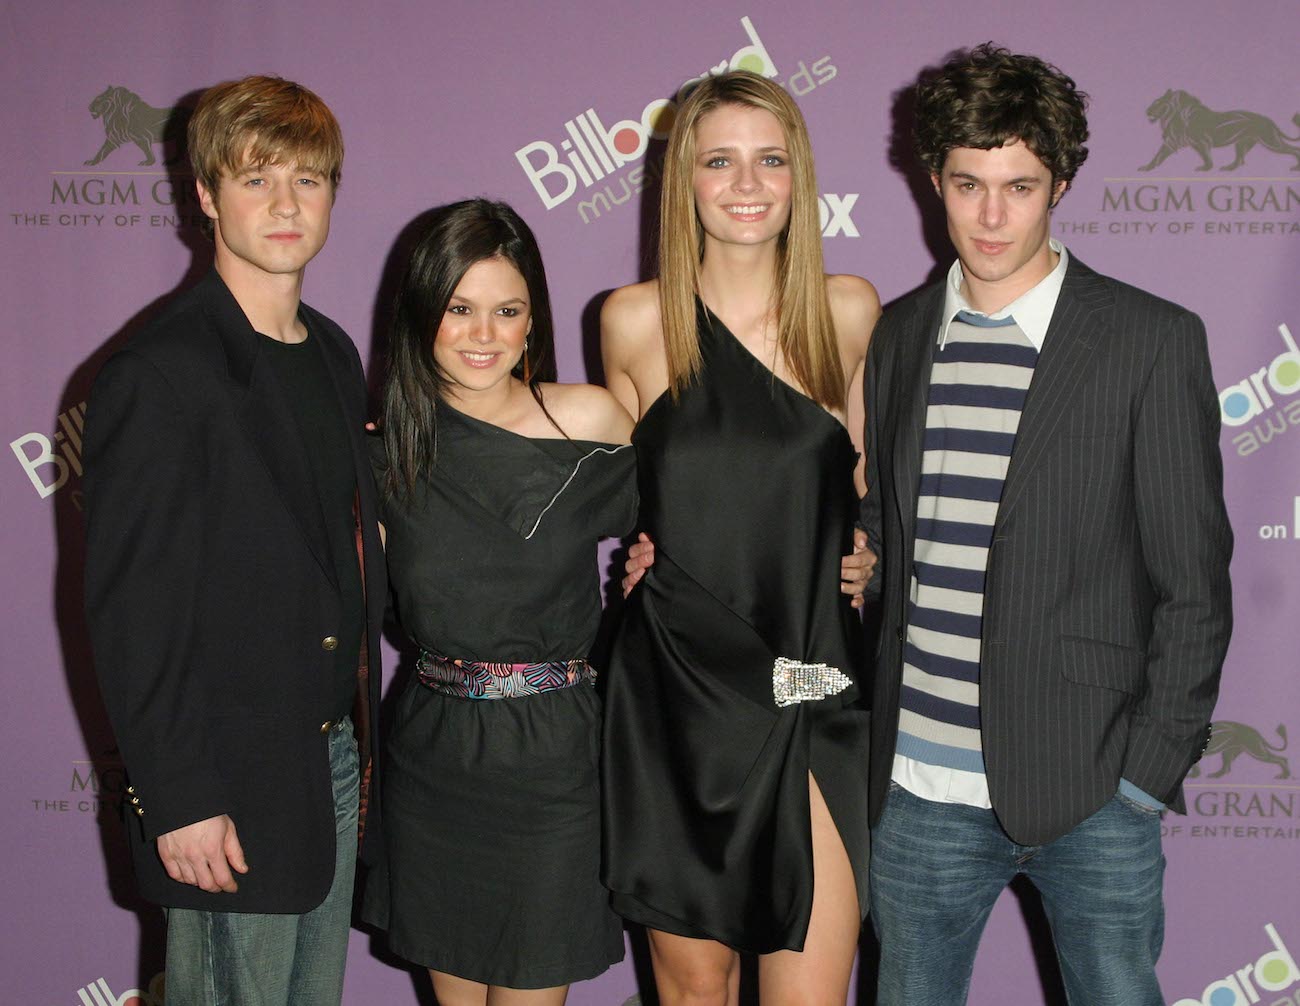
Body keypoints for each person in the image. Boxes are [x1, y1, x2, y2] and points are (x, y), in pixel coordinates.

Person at [858, 43, 1233, 1005]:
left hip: (1091, 789)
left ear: (1059, 183)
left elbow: (1194, 583)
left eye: (1020, 186)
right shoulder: (899, 334)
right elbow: (888, 532)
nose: (990, 216)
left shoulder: (1150, 340)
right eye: (968, 183)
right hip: (918, 791)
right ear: (932, 178)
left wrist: (1144, 777)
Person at [82, 76, 385, 1004]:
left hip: (329, 763)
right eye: (256, 180)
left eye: (308, 178)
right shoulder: (160, 371)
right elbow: (134, 611)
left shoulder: (333, 351)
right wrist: (181, 799)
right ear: (206, 196)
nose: (286, 204)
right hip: (225, 779)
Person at [600, 70, 880, 1005]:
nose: (747, 184)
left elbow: (870, 501)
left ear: (799, 176)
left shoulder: (848, 313)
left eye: (769, 160)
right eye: (719, 161)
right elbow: (615, 499)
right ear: (684, 181)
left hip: (811, 692)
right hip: (680, 701)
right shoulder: (635, 322)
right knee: (691, 994)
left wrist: (871, 557)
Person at [361, 199, 634, 1005]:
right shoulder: (385, 453)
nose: (484, 334)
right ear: (422, 315)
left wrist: (846, 550)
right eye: (460, 309)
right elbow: (359, 605)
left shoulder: (584, 418)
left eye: (506, 310)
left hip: (554, 762)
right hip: (434, 756)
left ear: (530, 321)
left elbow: (701, 534)